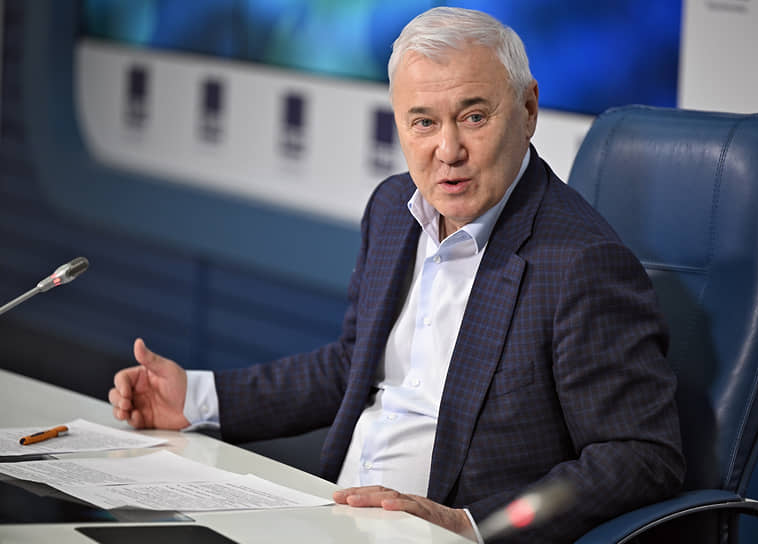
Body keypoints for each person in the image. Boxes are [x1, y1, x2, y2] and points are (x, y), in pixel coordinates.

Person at [109, 7, 684, 542]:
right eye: (423, 122)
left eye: (474, 117)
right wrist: (197, 399)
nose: (448, 150)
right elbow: (352, 366)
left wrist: (471, 524)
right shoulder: (392, 209)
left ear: (528, 110)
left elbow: (640, 456)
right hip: (330, 517)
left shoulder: (580, 262)